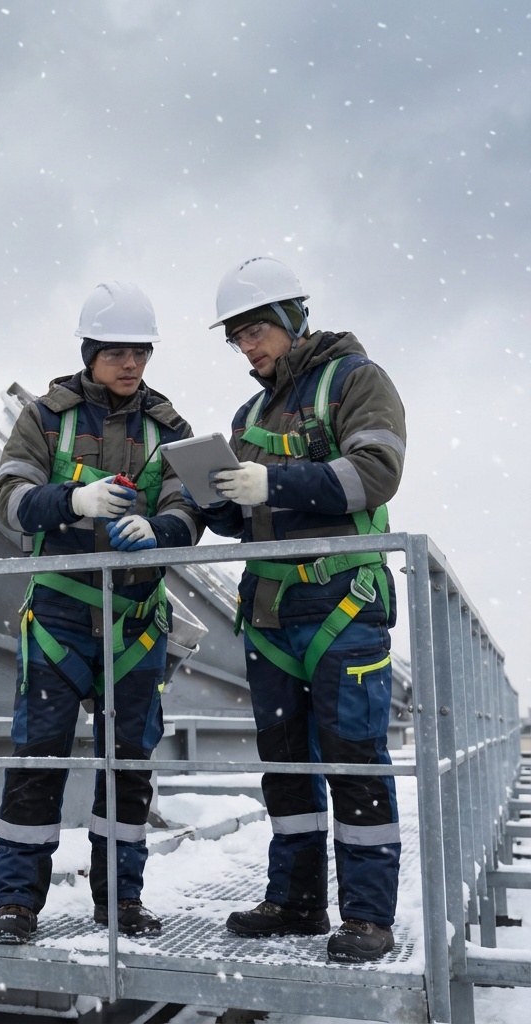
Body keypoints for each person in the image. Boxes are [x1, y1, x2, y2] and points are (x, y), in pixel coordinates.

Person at [188, 256, 407, 963]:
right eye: (237, 338)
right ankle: (297, 902)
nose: (247, 348)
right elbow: (244, 517)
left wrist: (272, 482)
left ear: (289, 321)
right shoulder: (247, 414)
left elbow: (375, 473)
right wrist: (216, 499)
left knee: (354, 762)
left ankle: (369, 917)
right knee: (285, 766)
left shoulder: (356, 380)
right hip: (273, 612)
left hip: (342, 602)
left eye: (255, 332)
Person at [0, 281, 203, 945]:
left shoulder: (171, 428)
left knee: (129, 769)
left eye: (139, 350)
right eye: (116, 351)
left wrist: (161, 529)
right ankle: (18, 904)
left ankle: (120, 902)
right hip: (58, 619)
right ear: (89, 352)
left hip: (136, 624)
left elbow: (195, 507)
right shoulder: (45, 420)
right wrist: (72, 501)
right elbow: (9, 495)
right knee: (36, 760)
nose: (131, 362)